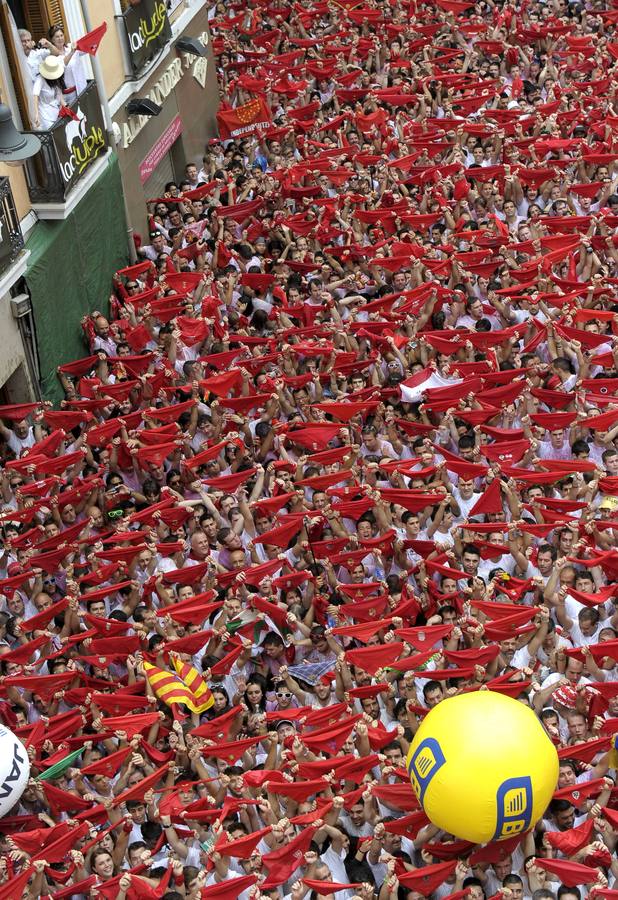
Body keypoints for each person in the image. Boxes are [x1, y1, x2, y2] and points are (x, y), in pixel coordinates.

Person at [32, 55, 66, 129]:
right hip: (45, 114)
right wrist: (36, 114)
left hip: (56, 112)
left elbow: (59, 95)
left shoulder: (57, 78)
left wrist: (66, 107)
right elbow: (35, 95)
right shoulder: (40, 79)